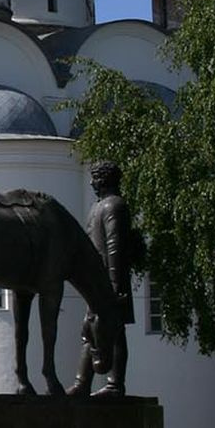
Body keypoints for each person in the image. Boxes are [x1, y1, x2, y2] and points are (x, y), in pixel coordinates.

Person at [71, 160, 137, 397]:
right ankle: (83, 383)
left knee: (115, 332)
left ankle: (114, 385)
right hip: (98, 282)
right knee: (89, 330)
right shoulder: (99, 207)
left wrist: (115, 286)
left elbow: (114, 247)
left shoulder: (113, 206)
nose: (92, 182)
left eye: (96, 177)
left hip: (109, 283)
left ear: (106, 180)